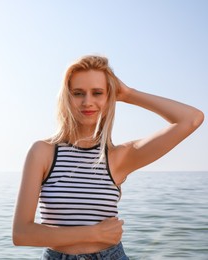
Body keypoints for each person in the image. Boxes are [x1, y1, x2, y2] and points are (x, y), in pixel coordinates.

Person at [12, 55, 204, 260]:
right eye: (78, 93)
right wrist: (92, 233)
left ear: (108, 97)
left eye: (97, 93)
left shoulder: (119, 157)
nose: (88, 102)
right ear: (67, 97)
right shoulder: (43, 152)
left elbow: (191, 119)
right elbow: (21, 234)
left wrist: (129, 94)